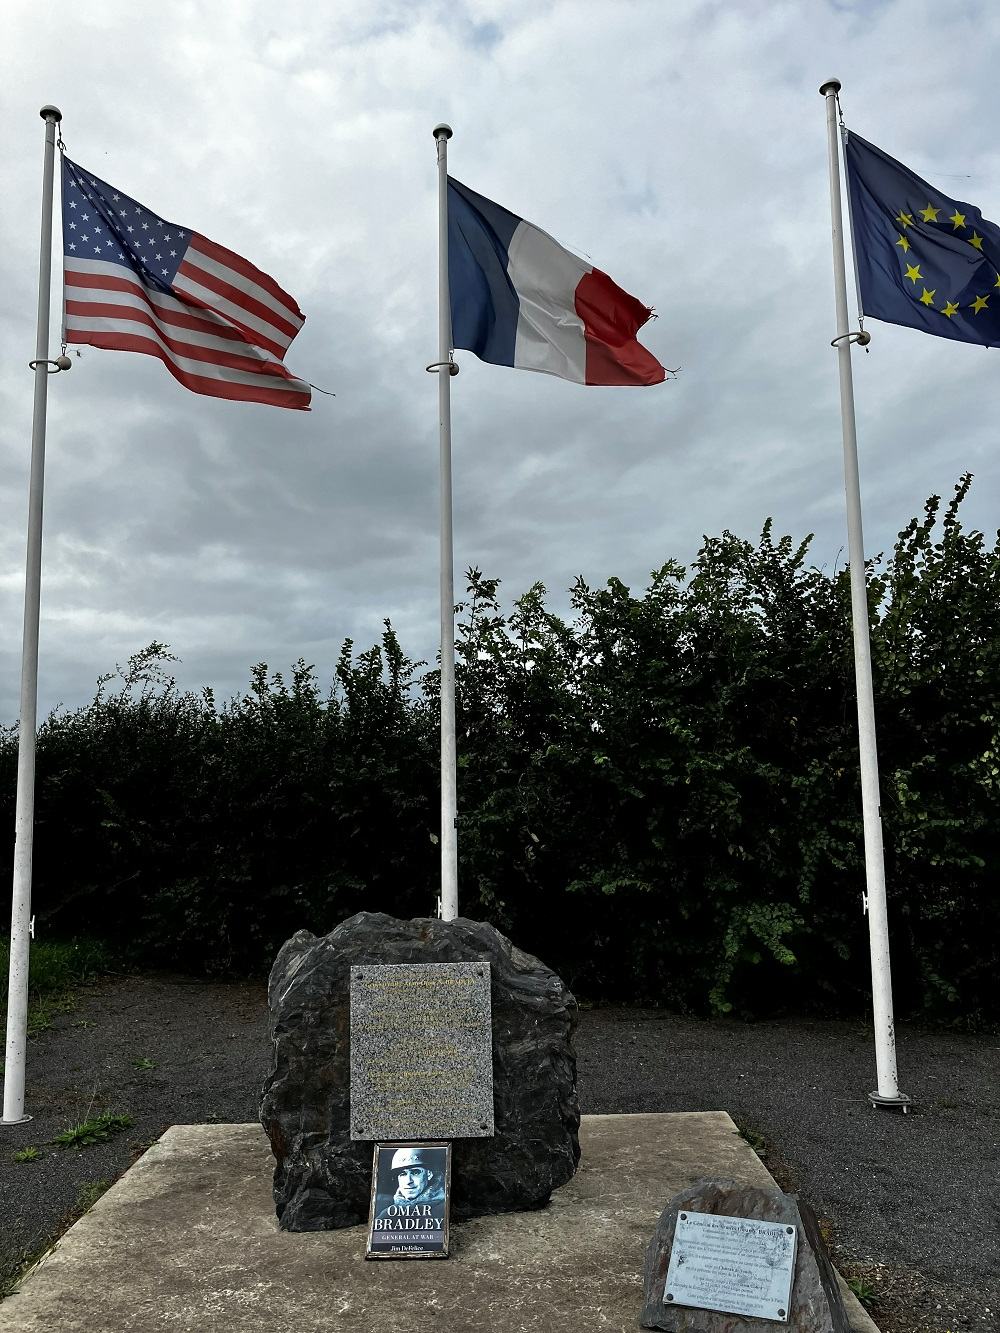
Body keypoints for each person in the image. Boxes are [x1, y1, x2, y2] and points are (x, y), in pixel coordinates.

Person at [375, 1146, 445, 1220]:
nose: (408, 1181)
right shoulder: (387, 1215)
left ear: (429, 1174)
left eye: (415, 1173)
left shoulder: (444, 1209)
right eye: (403, 1174)